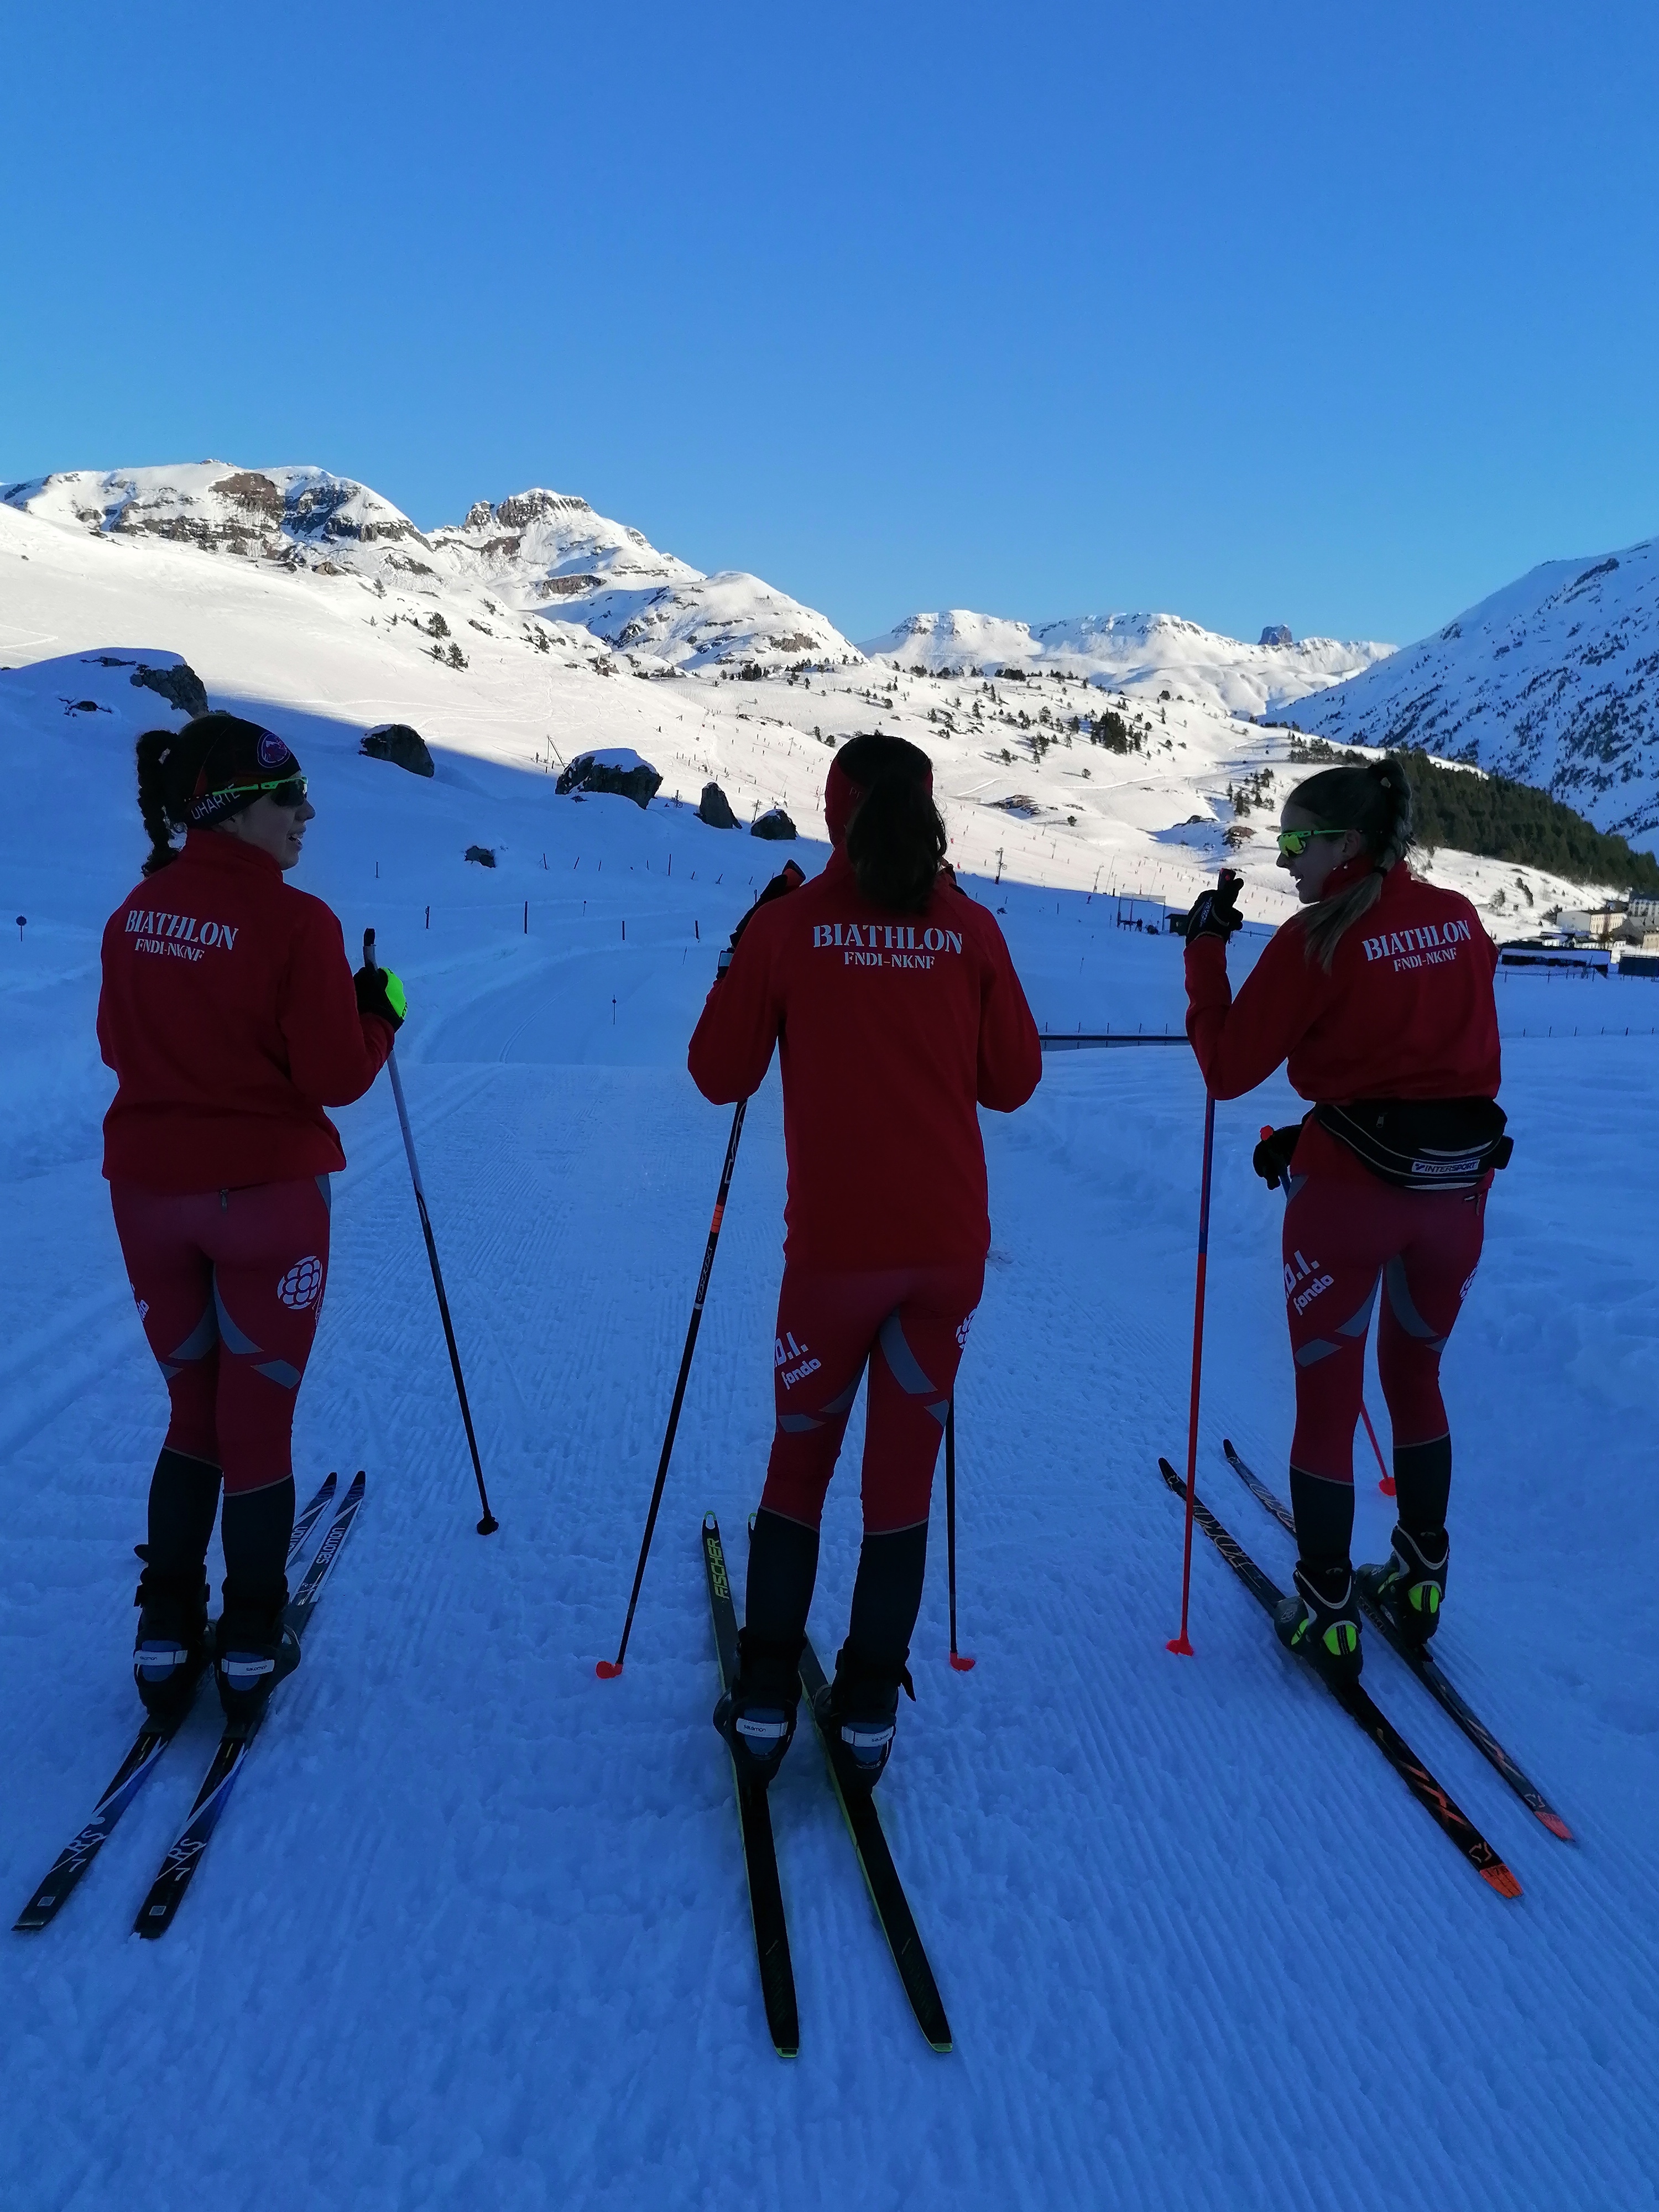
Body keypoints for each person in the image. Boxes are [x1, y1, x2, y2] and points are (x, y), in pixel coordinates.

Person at [688, 734, 1042, 1788]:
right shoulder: (969, 927)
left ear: (831, 811)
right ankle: (870, 1708)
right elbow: (1013, 1081)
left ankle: (763, 1701)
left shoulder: (792, 925)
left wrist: (750, 946)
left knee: (800, 1466)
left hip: (834, 1262)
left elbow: (719, 1074)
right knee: (900, 1480)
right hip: (945, 1258)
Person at [98, 712, 406, 1721]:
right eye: (289, 797)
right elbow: (334, 1076)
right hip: (266, 1200)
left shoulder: (138, 911)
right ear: (235, 808)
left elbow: (118, 1043)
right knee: (256, 1420)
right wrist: (377, 1013)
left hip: (148, 1199)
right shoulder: (297, 923)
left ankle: (163, 1630)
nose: (307, 814)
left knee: (194, 1413)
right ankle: (247, 1638)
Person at [1182, 755, 1506, 1680]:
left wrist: (1207, 953)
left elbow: (1226, 1067)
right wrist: (1318, 1126)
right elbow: (1432, 1062)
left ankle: (1325, 1606)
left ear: (1347, 845)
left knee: (1328, 1401)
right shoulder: (1459, 919)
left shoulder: (1319, 937)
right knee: (1418, 1380)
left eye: (1298, 842)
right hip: (1456, 1198)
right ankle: (1419, 1577)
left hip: (1347, 1202)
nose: (1287, 862)